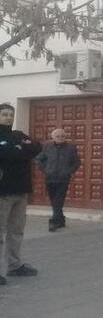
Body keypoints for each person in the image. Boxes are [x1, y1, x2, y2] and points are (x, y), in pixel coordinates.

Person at [0, 103, 42, 286]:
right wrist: (19, 150)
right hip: (3, 193)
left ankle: (14, 266)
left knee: (16, 231)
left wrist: (16, 150)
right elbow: (9, 155)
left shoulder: (17, 134)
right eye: (4, 114)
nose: (8, 117)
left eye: (11, 114)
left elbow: (36, 147)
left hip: (21, 191)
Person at [36, 128, 81, 232]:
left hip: (63, 179)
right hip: (50, 178)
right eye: (58, 136)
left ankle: (53, 221)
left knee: (58, 200)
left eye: (63, 136)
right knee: (54, 200)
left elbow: (77, 162)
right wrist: (45, 170)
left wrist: (69, 171)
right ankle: (61, 220)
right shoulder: (47, 146)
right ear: (53, 138)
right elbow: (39, 159)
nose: (61, 138)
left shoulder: (71, 148)